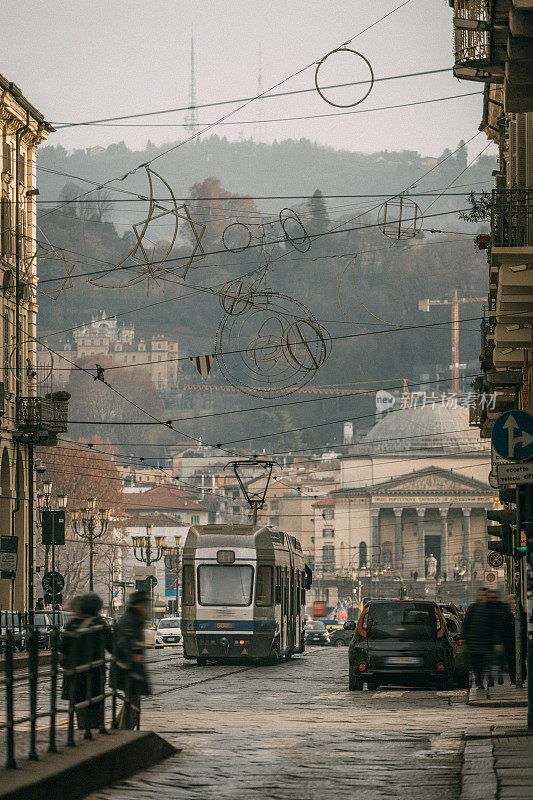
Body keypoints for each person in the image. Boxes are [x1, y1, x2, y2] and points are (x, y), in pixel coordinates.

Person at [59, 593, 107, 731]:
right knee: (96, 707)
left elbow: (63, 651)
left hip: (75, 675)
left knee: (80, 708)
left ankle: (83, 732)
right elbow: (113, 647)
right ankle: (95, 731)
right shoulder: (100, 624)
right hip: (95, 674)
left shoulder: (72, 625)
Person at [112, 591, 151, 729]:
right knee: (133, 703)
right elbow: (123, 642)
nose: (145, 607)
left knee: (131, 700)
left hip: (130, 669)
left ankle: (117, 726)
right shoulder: (130, 619)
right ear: (137, 604)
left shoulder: (134, 618)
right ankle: (123, 731)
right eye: (143, 604)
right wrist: (134, 652)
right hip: (127, 669)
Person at [463, 588, 492, 689]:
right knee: (476, 664)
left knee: (484, 663)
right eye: (481, 595)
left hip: (485, 642)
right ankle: (478, 680)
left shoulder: (489, 609)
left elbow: (494, 625)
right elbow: (465, 623)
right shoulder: (472, 608)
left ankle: (482, 680)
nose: (482, 597)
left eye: (484, 595)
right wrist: (464, 637)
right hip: (474, 642)